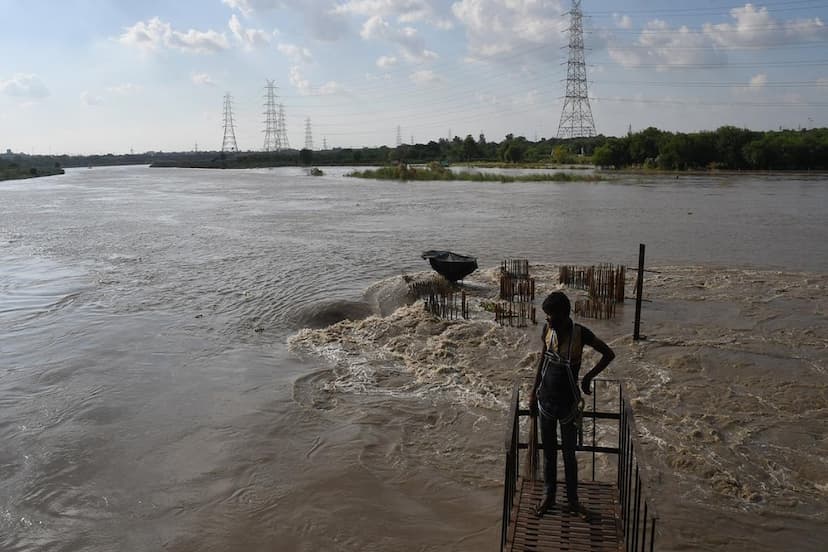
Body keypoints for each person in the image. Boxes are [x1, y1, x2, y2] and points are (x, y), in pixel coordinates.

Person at [529, 291, 615, 519]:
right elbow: (542, 361)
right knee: (548, 453)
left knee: (569, 455)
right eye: (546, 316)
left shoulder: (581, 334)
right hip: (545, 401)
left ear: (564, 314)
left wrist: (588, 377)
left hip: (568, 406)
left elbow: (608, 354)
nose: (547, 320)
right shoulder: (547, 331)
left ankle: (573, 501)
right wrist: (532, 393)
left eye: (551, 316)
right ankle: (549, 495)